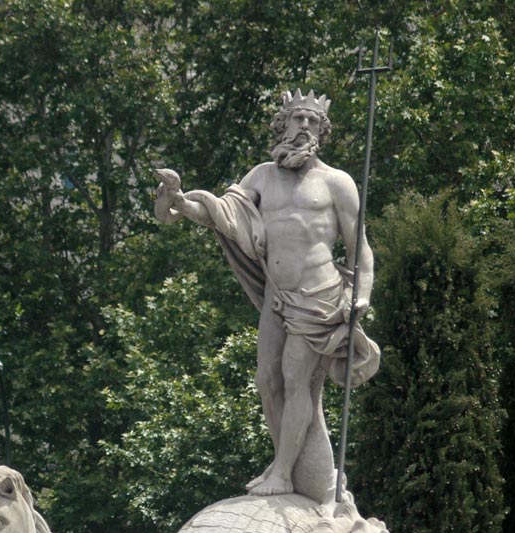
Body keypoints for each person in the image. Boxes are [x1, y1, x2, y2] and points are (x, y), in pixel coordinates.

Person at [154, 89, 379, 502]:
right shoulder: (261, 177)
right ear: (282, 125)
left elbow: (359, 246)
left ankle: (282, 472)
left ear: (322, 132)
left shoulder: (336, 183)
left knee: (297, 380)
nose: (304, 127)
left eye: (312, 122)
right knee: (266, 380)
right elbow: (224, 216)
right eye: (297, 120)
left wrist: (360, 296)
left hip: (320, 295)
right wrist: (182, 200)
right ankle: (287, 462)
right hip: (277, 299)